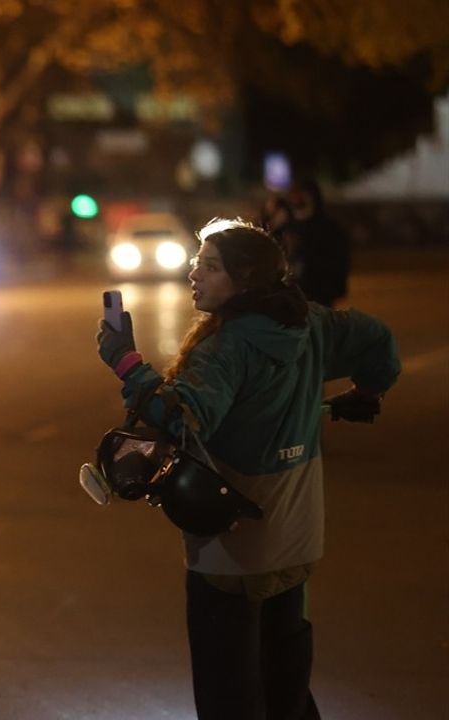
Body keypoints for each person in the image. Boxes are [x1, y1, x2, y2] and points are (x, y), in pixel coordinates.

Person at [95, 218, 400, 719]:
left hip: (233, 546)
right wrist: (366, 394)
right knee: (286, 679)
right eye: (197, 262)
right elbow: (380, 344)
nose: (194, 273)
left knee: (229, 691)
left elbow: (178, 415)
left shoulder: (226, 348)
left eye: (210, 266)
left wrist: (124, 361)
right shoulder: (311, 323)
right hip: (299, 537)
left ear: (246, 280)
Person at [285, 179, 351, 307]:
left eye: (301, 195)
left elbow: (339, 263)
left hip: (319, 295)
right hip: (292, 297)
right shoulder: (287, 228)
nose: (296, 200)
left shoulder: (329, 229)